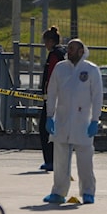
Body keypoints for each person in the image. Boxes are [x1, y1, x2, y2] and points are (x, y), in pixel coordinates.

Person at [42, 38, 103, 205]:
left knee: (85, 162)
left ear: (81, 51)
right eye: (68, 48)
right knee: (60, 161)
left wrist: (95, 120)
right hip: (61, 121)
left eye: (73, 49)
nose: (69, 52)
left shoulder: (91, 70)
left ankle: (88, 192)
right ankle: (58, 192)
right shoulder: (60, 68)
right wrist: (50, 116)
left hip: (83, 123)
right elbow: (52, 92)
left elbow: (97, 97)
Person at [38, 26, 67, 172]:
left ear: (50, 41)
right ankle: (56, 160)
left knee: (45, 129)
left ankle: (50, 160)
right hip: (62, 97)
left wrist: (48, 95)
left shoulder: (54, 55)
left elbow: (52, 77)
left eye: (45, 42)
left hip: (53, 98)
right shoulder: (63, 53)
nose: (44, 45)